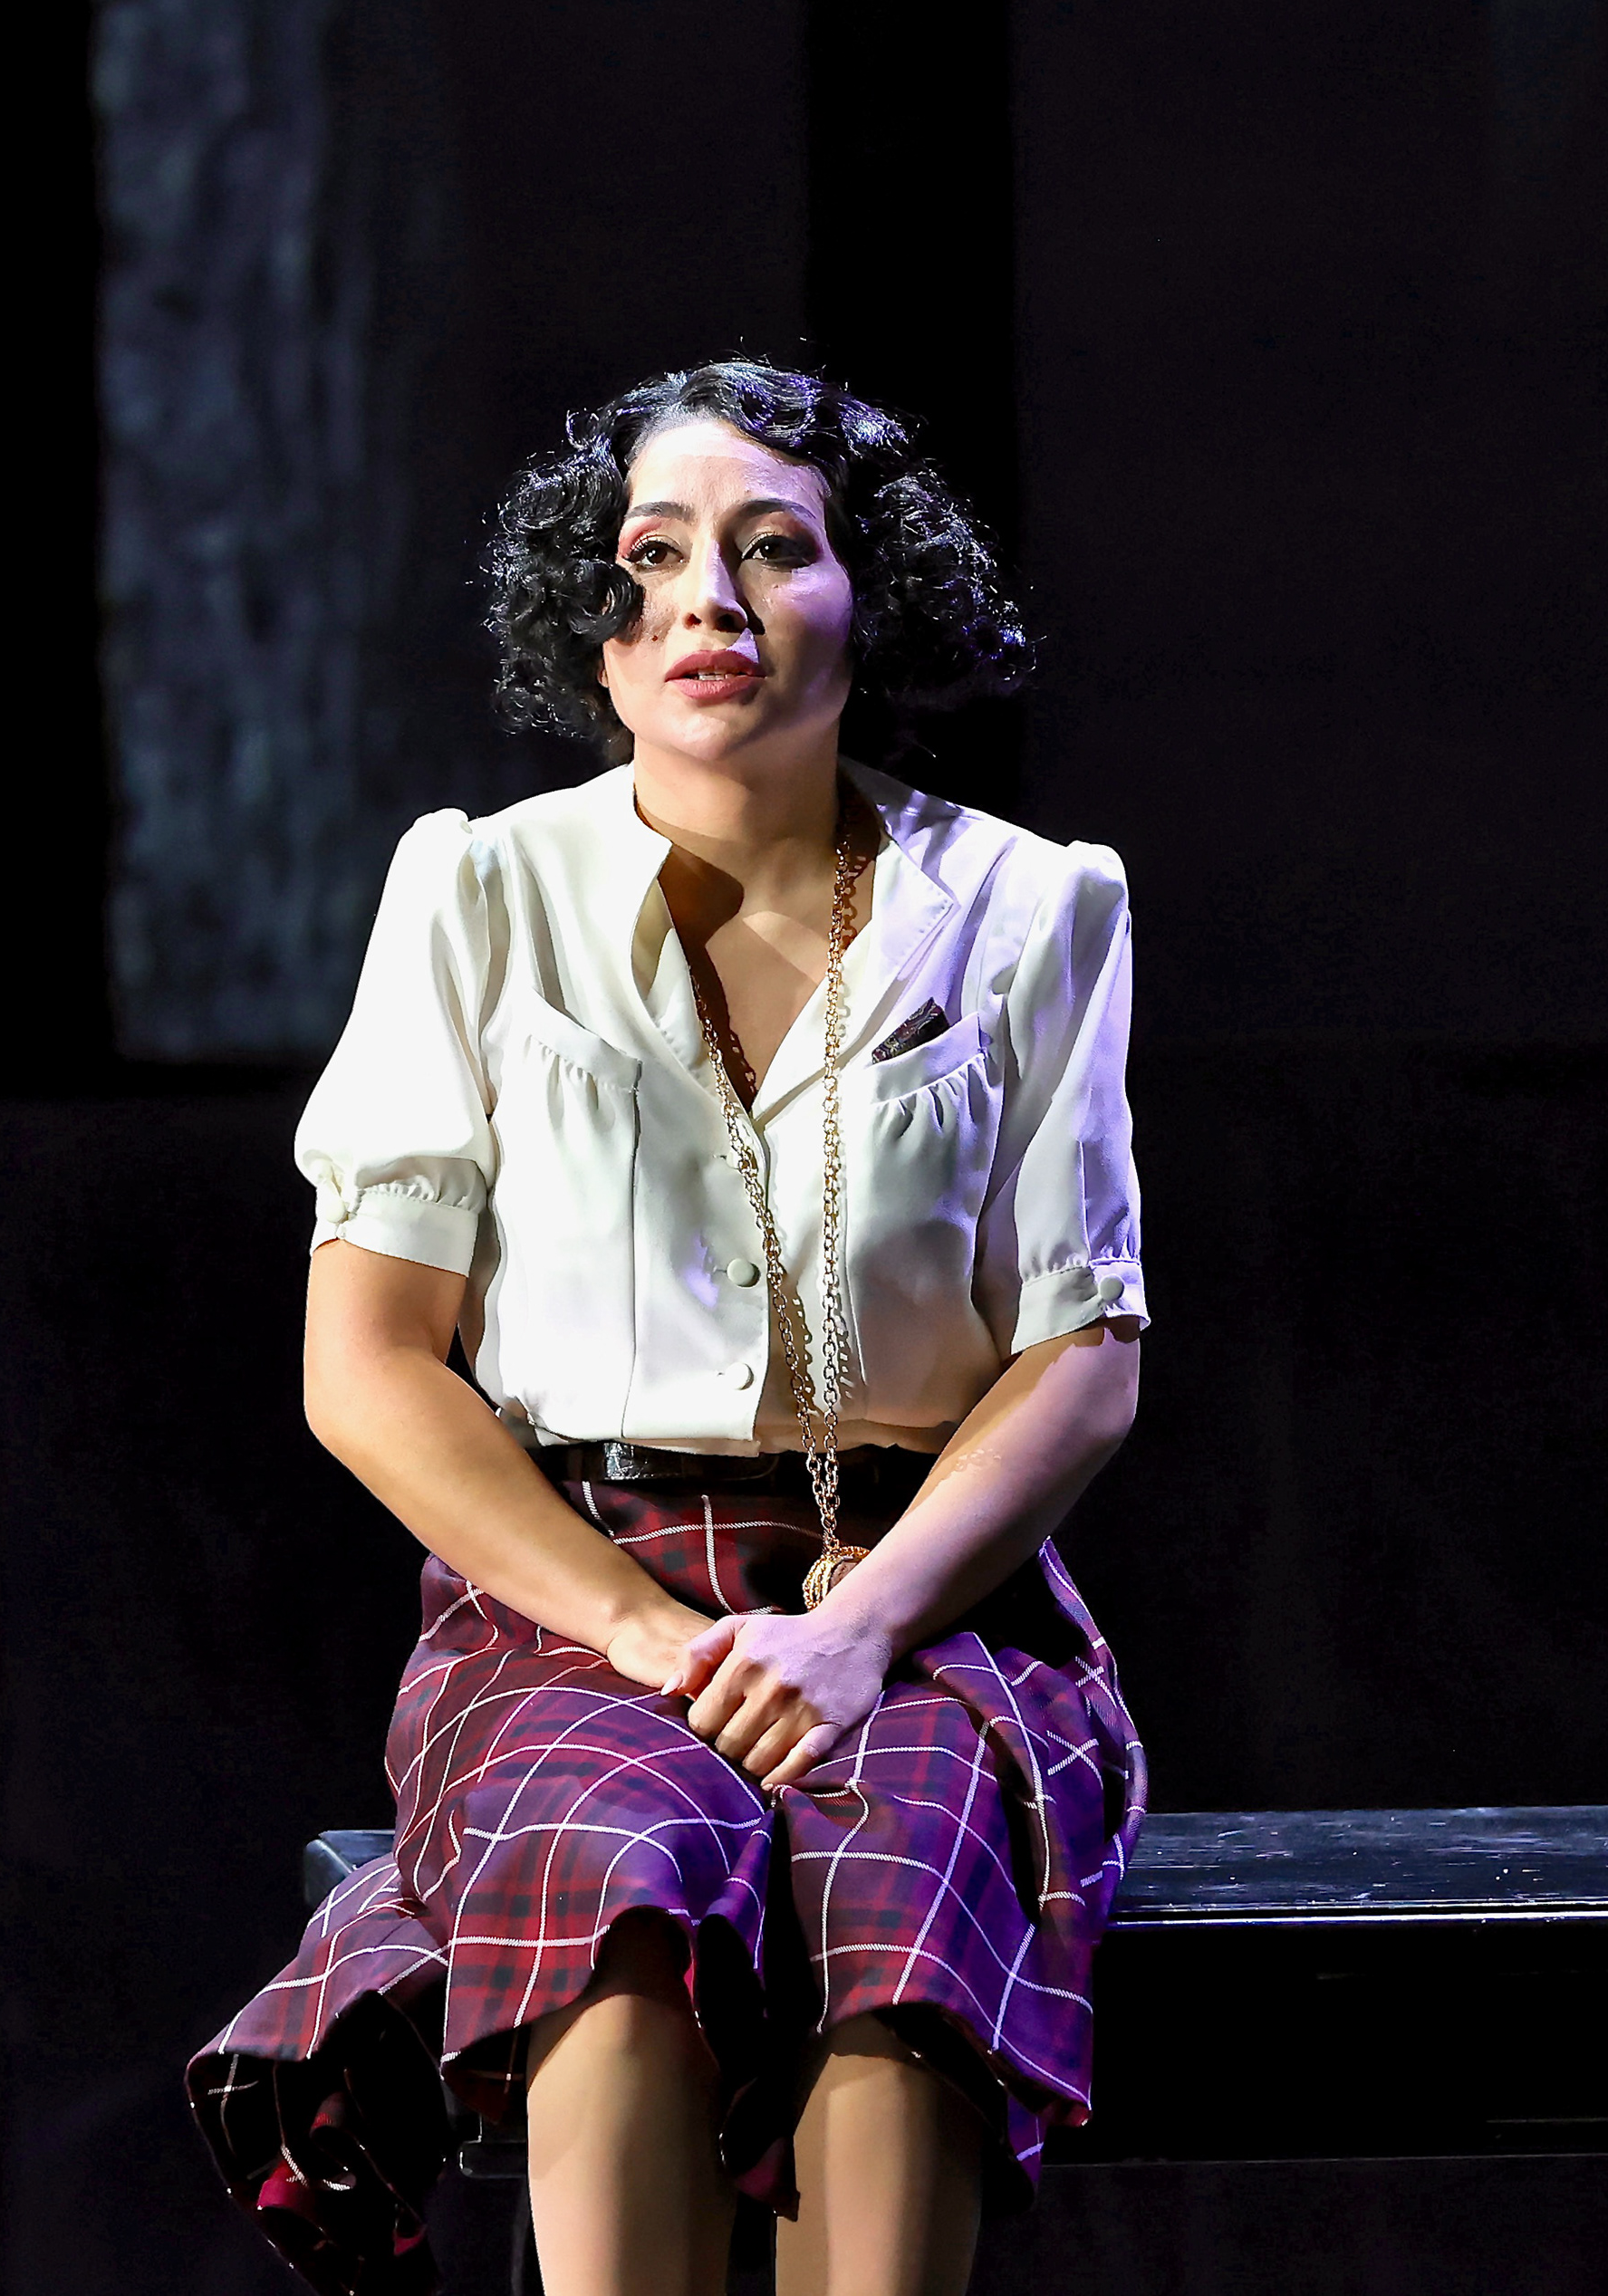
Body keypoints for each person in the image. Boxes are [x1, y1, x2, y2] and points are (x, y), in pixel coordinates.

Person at [187, 360, 1149, 2296]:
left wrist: (862, 1626)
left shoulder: (1030, 907)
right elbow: (367, 1361)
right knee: (623, 1888)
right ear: (596, 626)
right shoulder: (480, 892)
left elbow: (1084, 1346)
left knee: (900, 1909)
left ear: (868, 600)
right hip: (575, 1583)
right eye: (649, 558)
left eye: (774, 546)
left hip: (924, 1593)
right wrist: (639, 1627)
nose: (708, 596)